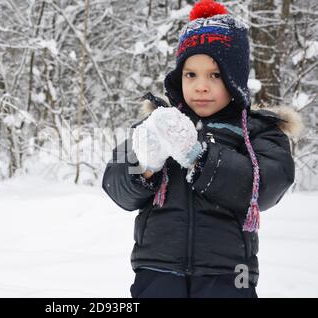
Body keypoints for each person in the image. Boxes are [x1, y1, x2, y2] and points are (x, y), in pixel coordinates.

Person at [102, 0, 301, 298]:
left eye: (215, 75)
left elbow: (270, 185)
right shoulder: (159, 122)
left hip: (230, 274)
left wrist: (201, 157)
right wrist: (144, 163)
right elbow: (116, 186)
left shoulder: (256, 130)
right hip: (157, 269)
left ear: (235, 78)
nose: (201, 86)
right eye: (190, 74)